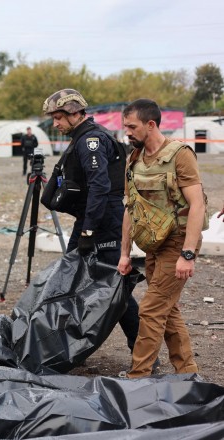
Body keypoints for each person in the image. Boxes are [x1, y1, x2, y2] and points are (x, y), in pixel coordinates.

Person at [42, 88, 140, 354]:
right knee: (73, 280)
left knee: (115, 289)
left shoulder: (90, 141)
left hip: (103, 221)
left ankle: (142, 351)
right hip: (91, 218)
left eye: (59, 117)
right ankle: (72, 348)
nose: (56, 123)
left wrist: (87, 232)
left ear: (75, 114)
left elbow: (100, 187)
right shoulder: (82, 138)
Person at [118, 98, 206, 378]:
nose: (127, 132)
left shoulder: (180, 154)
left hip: (179, 241)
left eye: (132, 127)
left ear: (151, 124)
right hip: (153, 243)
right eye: (125, 127)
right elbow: (130, 209)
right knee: (168, 310)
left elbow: (197, 205)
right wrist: (124, 253)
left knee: (151, 309)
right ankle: (187, 372)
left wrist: (188, 254)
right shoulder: (134, 159)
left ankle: (138, 376)